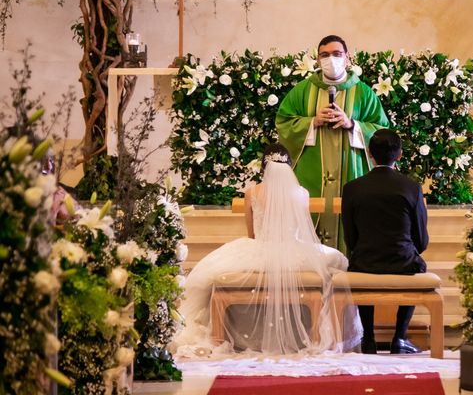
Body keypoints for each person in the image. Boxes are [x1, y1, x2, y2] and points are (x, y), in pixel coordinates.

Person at [173, 143, 361, 358]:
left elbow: (252, 233)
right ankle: (317, 337)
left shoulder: (252, 192)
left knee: (207, 273)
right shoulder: (302, 193)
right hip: (296, 251)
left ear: (264, 166)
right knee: (336, 262)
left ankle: (224, 336)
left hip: (260, 249)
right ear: (290, 167)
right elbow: (302, 229)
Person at [276, 35, 389, 254]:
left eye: (337, 54)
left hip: (351, 170)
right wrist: (312, 122)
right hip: (311, 172)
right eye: (325, 55)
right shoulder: (301, 91)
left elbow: (382, 131)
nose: (331, 59)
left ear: (347, 58)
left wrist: (353, 125)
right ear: (317, 60)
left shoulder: (363, 92)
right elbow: (283, 124)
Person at [341, 129, 428, 355]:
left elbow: (350, 238)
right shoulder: (411, 187)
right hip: (402, 261)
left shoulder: (352, 188)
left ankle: (368, 338)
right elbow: (421, 238)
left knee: (359, 264)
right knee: (418, 264)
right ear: (399, 155)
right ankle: (399, 337)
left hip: (365, 261)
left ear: (370, 153)